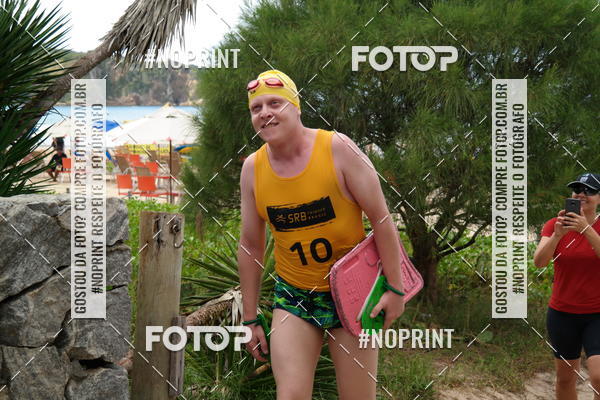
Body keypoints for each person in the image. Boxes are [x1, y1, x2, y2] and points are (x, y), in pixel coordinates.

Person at [237, 70, 406, 400]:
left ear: (296, 107)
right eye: (256, 108)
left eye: (275, 103)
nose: (265, 113)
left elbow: (381, 218)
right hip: (295, 296)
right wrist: (250, 318)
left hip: (355, 295)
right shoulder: (252, 169)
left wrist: (396, 289)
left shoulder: (337, 148)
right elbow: (251, 245)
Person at [533, 173, 600, 400]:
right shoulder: (555, 224)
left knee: (599, 376)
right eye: (577, 189)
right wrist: (556, 235)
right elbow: (539, 262)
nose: (581, 194)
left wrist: (586, 229)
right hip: (562, 314)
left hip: (597, 314)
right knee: (565, 378)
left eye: (589, 191)